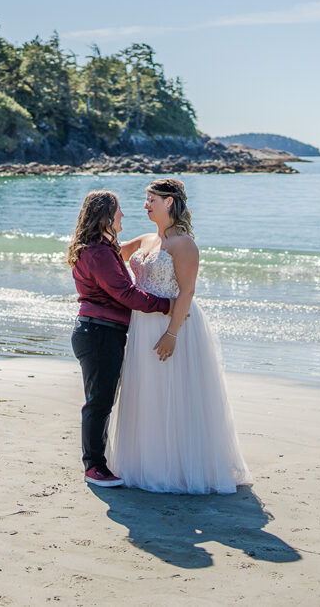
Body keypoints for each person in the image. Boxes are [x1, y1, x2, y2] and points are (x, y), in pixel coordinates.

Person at [108, 179, 252, 494]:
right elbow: (110, 256)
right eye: (145, 199)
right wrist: (99, 228)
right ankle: (146, 463)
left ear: (169, 202)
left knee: (173, 393)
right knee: (147, 392)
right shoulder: (146, 239)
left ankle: (176, 467)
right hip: (142, 323)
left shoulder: (183, 244)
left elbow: (187, 291)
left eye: (151, 200)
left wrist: (172, 333)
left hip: (174, 324)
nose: (145, 205)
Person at [68, 190, 176, 487]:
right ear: (106, 215)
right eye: (118, 211)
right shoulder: (99, 253)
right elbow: (126, 295)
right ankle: (94, 467)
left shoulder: (101, 248)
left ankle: (97, 463)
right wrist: (168, 306)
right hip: (98, 332)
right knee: (99, 402)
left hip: (98, 331)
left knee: (100, 400)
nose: (123, 215)